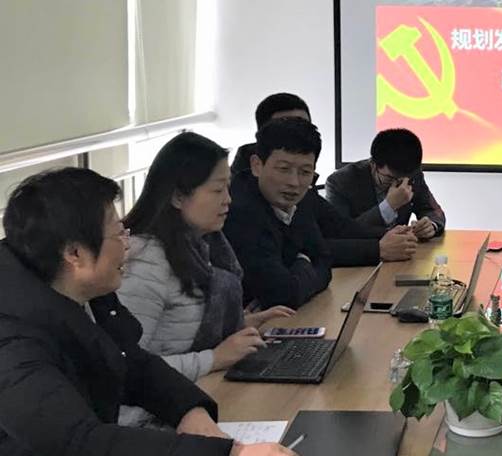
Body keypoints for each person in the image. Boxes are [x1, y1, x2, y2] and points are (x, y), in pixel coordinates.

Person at [0, 167, 294, 456]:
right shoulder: (12, 341)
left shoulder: (85, 291)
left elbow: (133, 363)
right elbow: (78, 442)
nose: (127, 246)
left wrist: (189, 410)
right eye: (118, 234)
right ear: (74, 254)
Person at [117, 132, 294, 387]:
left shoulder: (203, 246)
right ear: (178, 196)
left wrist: (238, 324)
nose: (228, 200)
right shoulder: (145, 261)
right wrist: (214, 358)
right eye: (217, 190)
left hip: (197, 388)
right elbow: (127, 367)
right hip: (155, 405)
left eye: (228, 188)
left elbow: (184, 326)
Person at [231, 93, 418, 266]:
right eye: (286, 126)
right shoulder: (240, 195)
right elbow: (306, 252)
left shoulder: (302, 187)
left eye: (303, 126)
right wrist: (378, 249)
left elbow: (339, 229)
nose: (296, 133)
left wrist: (394, 234)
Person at [223, 117, 332, 309]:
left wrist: (297, 269)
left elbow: (324, 262)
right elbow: (282, 294)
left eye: (305, 172)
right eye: (284, 169)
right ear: (257, 165)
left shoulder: (298, 200)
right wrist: (303, 262)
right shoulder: (240, 211)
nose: (294, 183)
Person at [326, 128, 446, 240]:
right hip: (363, 252)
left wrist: (430, 225)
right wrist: (389, 206)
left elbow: (433, 211)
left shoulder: (413, 175)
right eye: (390, 178)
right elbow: (340, 232)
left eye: (404, 179)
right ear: (373, 165)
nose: (399, 185)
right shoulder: (340, 182)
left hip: (403, 251)